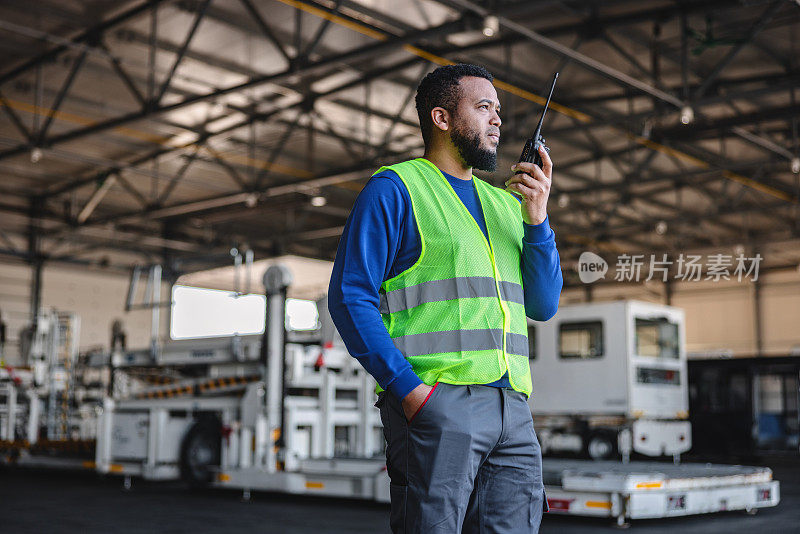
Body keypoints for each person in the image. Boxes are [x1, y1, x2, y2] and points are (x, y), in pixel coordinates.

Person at [328, 63, 562, 533]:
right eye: (483, 108)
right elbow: (350, 295)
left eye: (498, 110)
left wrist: (537, 220)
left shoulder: (506, 206)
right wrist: (411, 392)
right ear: (442, 118)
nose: (497, 120)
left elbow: (542, 304)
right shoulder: (397, 189)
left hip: (512, 412)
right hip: (438, 403)